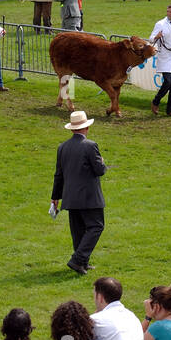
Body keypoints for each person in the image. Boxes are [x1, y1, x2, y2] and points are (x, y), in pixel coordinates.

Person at [51, 109, 107, 275]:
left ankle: (82, 262)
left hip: (70, 197)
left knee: (78, 231)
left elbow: (58, 175)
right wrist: (102, 163)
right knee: (96, 226)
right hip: (89, 197)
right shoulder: (90, 146)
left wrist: (55, 197)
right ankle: (77, 260)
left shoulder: (62, 147)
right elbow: (99, 170)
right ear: (86, 128)